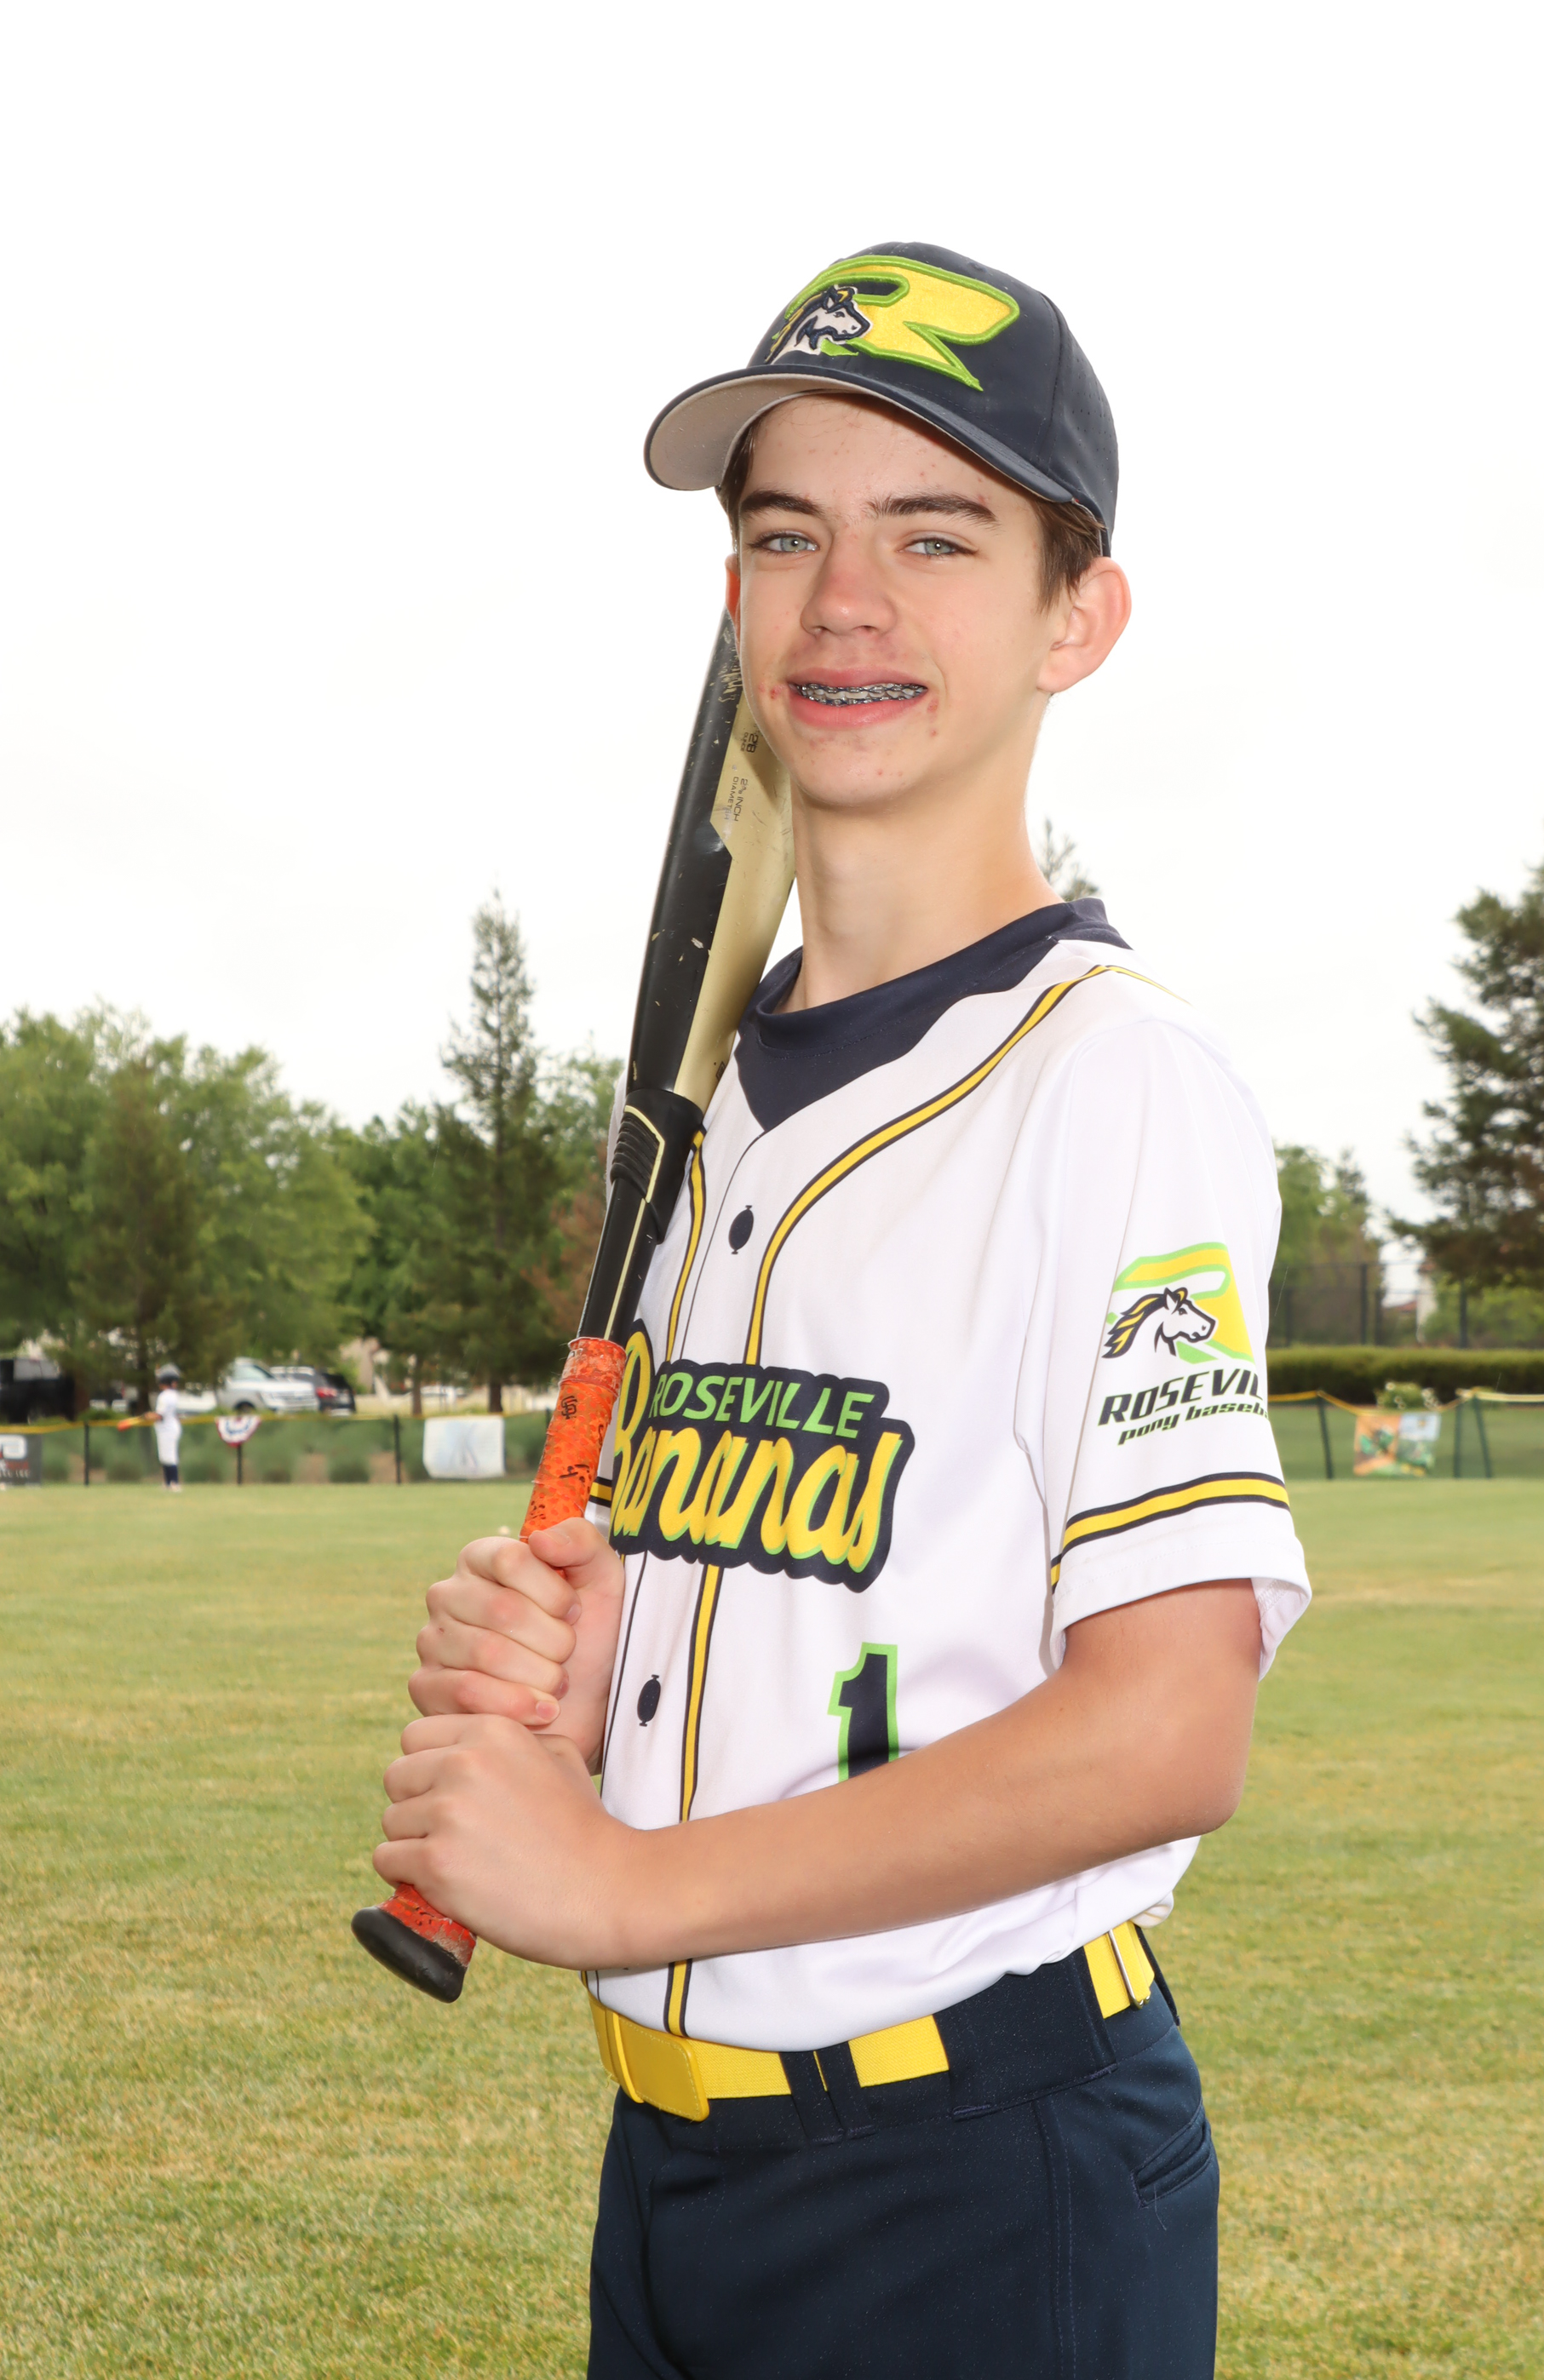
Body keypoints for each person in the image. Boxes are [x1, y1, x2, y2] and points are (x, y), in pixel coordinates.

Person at [375, 244, 1312, 2377]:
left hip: (974, 2178)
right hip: (680, 2172)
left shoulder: (1111, 1080)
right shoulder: (715, 1105)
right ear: (735, 602)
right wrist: (603, 1669)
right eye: (787, 534)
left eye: (936, 535)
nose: (845, 600)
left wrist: (620, 1885)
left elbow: (1167, 1721)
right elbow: (844, 1599)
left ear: (1078, 616)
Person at [154, 1363, 185, 1492]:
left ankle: (174, 1483)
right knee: (165, 1456)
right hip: (169, 1428)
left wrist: (148, 1416)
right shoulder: (173, 1395)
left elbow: (160, 1415)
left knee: (169, 1456)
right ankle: (168, 1483)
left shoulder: (165, 1396)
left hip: (167, 1429)